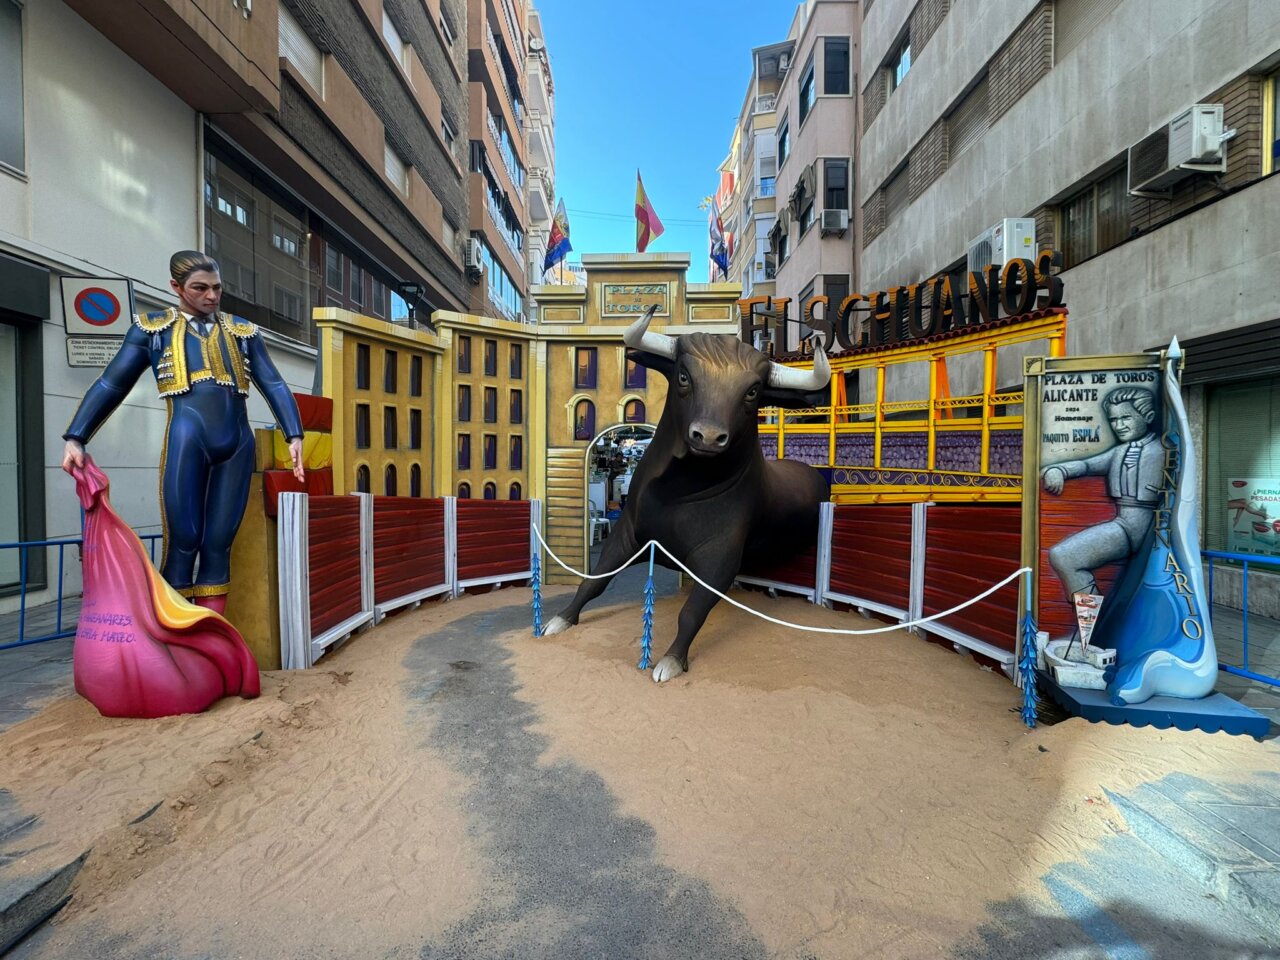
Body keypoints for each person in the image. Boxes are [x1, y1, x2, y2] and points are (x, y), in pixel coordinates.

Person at [62, 251, 305, 615]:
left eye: (217, 288)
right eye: (200, 288)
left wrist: (294, 434)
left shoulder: (242, 331)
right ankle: (178, 640)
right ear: (176, 287)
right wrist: (76, 436)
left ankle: (212, 637)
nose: (211, 296)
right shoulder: (152, 330)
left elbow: (273, 383)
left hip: (237, 446)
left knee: (219, 542)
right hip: (187, 441)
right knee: (183, 540)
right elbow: (112, 384)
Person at [1041, 386, 1164, 599]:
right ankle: (1092, 625)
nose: (1119, 426)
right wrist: (1058, 469)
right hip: (1125, 526)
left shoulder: (1165, 450)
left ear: (1148, 416)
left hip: (1154, 531)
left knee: (1065, 556)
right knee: (1063, 555)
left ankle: (1093, 625)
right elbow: (1087, 465)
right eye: (1114, 420)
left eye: (1126, 417)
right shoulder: (1119, 451)